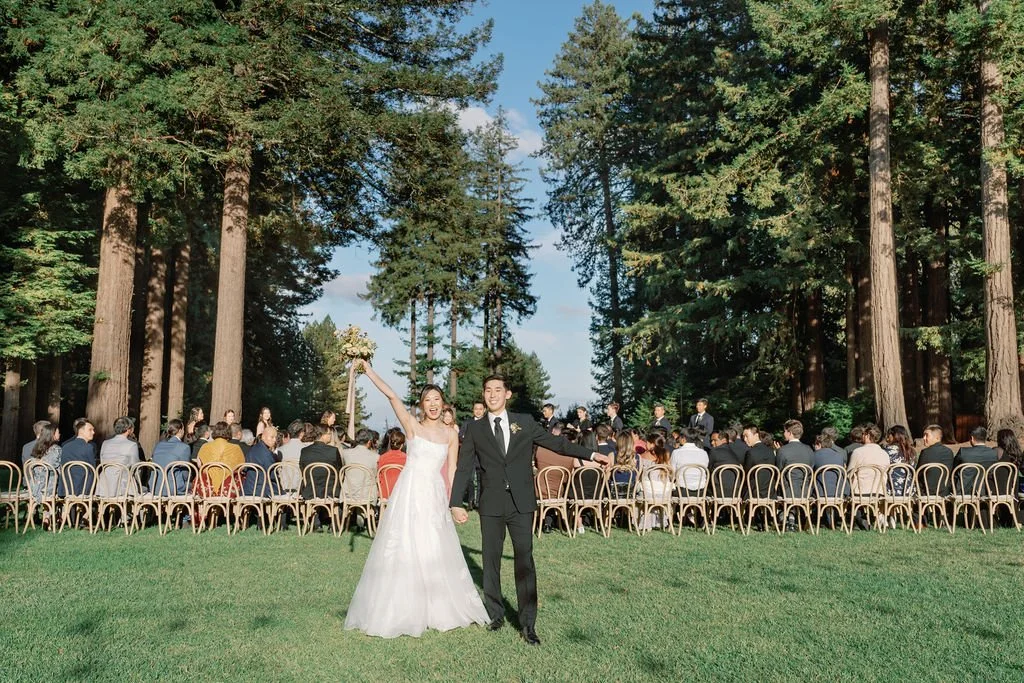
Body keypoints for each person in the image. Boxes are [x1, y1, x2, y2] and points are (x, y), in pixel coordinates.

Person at [448, 373, 609, 646]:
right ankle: (496, 615)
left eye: (498, 390)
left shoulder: (524, 422)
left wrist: (591, 454)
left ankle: (528, 624)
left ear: (507, 394)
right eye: (488, 390)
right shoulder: (474, 429)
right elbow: (464, 467)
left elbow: (557, 443)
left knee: (525, 561)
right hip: (491, 504)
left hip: (522, 503)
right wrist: (454, 502)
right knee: (490, 561)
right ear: (484, 394)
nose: (492, 395)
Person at [345, 360, 495, 638]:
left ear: (443, 403)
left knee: (434, 545)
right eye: (428, 400)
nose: (433, 404)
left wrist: (455, 503)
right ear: (422, 405)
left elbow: (452, 470)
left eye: (437, 399)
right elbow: (391, 394)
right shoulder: (412, 425)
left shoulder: (451, 434)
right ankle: (402, 606)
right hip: (410, 491)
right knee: (405, 543)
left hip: (435, 493)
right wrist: (368, 370)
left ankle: (438, 605)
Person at [26, 422, 62, 528]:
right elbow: (52, 465)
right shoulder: (56, 449)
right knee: (62, 483)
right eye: (58, 433)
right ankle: (57, 516)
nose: (60, 435)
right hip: (50, 486)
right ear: (52, 434)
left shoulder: (37, 448)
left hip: (35, 486)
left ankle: (46, 515)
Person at [96, 417, 142, 498]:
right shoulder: (132, 445)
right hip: (123, 485)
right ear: (128, 429)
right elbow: (135, 466)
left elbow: (102, 462)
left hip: (104, 485)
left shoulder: (105, 443)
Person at [196, 421, 245, 493]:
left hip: (207, 488)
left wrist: (211, 470)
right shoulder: (236, 448)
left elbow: (199, 465)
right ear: (229, 432)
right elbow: (241, 467)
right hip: (228, 488)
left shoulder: (205, 446)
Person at [58, 418, 97, 498]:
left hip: (66, 487)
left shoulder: (65, 446)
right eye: (90, 430)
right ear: (81, 431)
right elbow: (92, 468)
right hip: (83, 488)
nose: (93, 432)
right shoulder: (88, 447)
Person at [151, 419, 191, 496]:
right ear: (180, 430)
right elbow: (186, 474)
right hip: (174, 488)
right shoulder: (184, 447)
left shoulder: (158, 445)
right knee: (196, 485)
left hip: (155, 487)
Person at [953, 426, 998, 493]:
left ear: (972, 438)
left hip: (964, 491)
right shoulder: (993, 453)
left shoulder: (963, 452)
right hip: (985, 491)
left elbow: (955, 468)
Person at [917, 424, 954, 495]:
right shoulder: (949, 452)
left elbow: (919, 473)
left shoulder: (926, 452)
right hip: (944, 491)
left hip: (926, 492)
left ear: (937, 438)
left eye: (927, 435)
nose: (924, 438)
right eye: (924, 435)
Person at [242, 424, 279, 496]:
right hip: (262, 490)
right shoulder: (267, 453)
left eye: (275, 437)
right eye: (272, 437)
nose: (274, 440)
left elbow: (245, 469)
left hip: (248, 488)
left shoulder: (252, 449)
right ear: (263, 437)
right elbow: (271, 475)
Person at [670, 427, 709, 494]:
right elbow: (705, 469)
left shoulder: (676, 452)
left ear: (683, 439)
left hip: (682, 490)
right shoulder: (703, 452)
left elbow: (672, 472)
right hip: (701, 491)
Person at [377, 428, 408, 500]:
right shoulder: (406, 459)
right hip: (400, 493)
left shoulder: (382, 457)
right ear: (402, 445)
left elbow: (379, 476)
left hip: (385, 493)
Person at [277, 419, 307, 492]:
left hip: (282, 487)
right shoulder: (306, 450)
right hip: (300, 488)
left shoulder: (279, 450)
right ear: (301, 433)